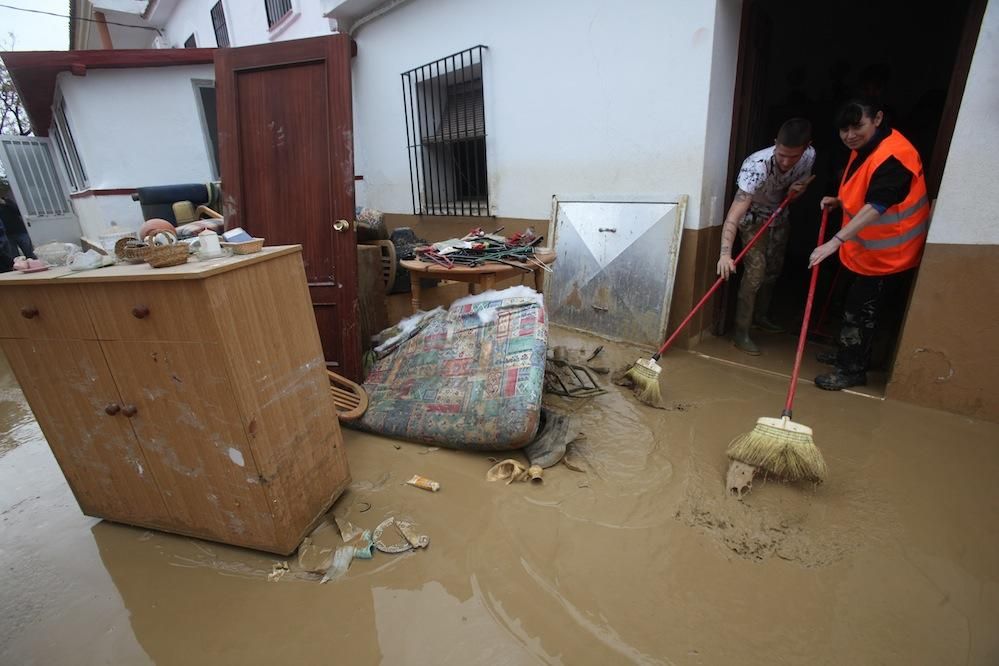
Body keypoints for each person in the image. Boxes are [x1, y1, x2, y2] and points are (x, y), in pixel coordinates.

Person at [807, 98, 929, 390]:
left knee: (861, 309)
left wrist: (834, 242)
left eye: (857, 126)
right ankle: (850, 352)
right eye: (844, 129)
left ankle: (852, 369)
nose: (850, 135)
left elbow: (878, 204)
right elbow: (864, 188)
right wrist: (840, 200)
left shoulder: (895, 155)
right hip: (865, 247)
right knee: (853, 304)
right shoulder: (864, 148)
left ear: (877, 119)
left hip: (889, 252)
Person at [717, 118, 815, 355]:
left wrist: (798, 191)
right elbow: (735, 212)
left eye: (792, 156)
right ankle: (741, 332)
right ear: (775, 144)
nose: (785, 161)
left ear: (805, 148)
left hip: (779, 215)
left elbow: (802, 182)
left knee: (773, 269)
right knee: (755, 273)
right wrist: (725, 254)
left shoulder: (810, 156)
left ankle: (760, 316)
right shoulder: (756, 165)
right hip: (751, 218)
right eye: (781, 154)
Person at [0, 189, 35, 260]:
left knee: (29, 253)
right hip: (7, 235)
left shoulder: (7, 201)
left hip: (20, 231)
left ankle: (35, 265)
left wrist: (5, 203)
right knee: (16, 257)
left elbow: (19, 211)